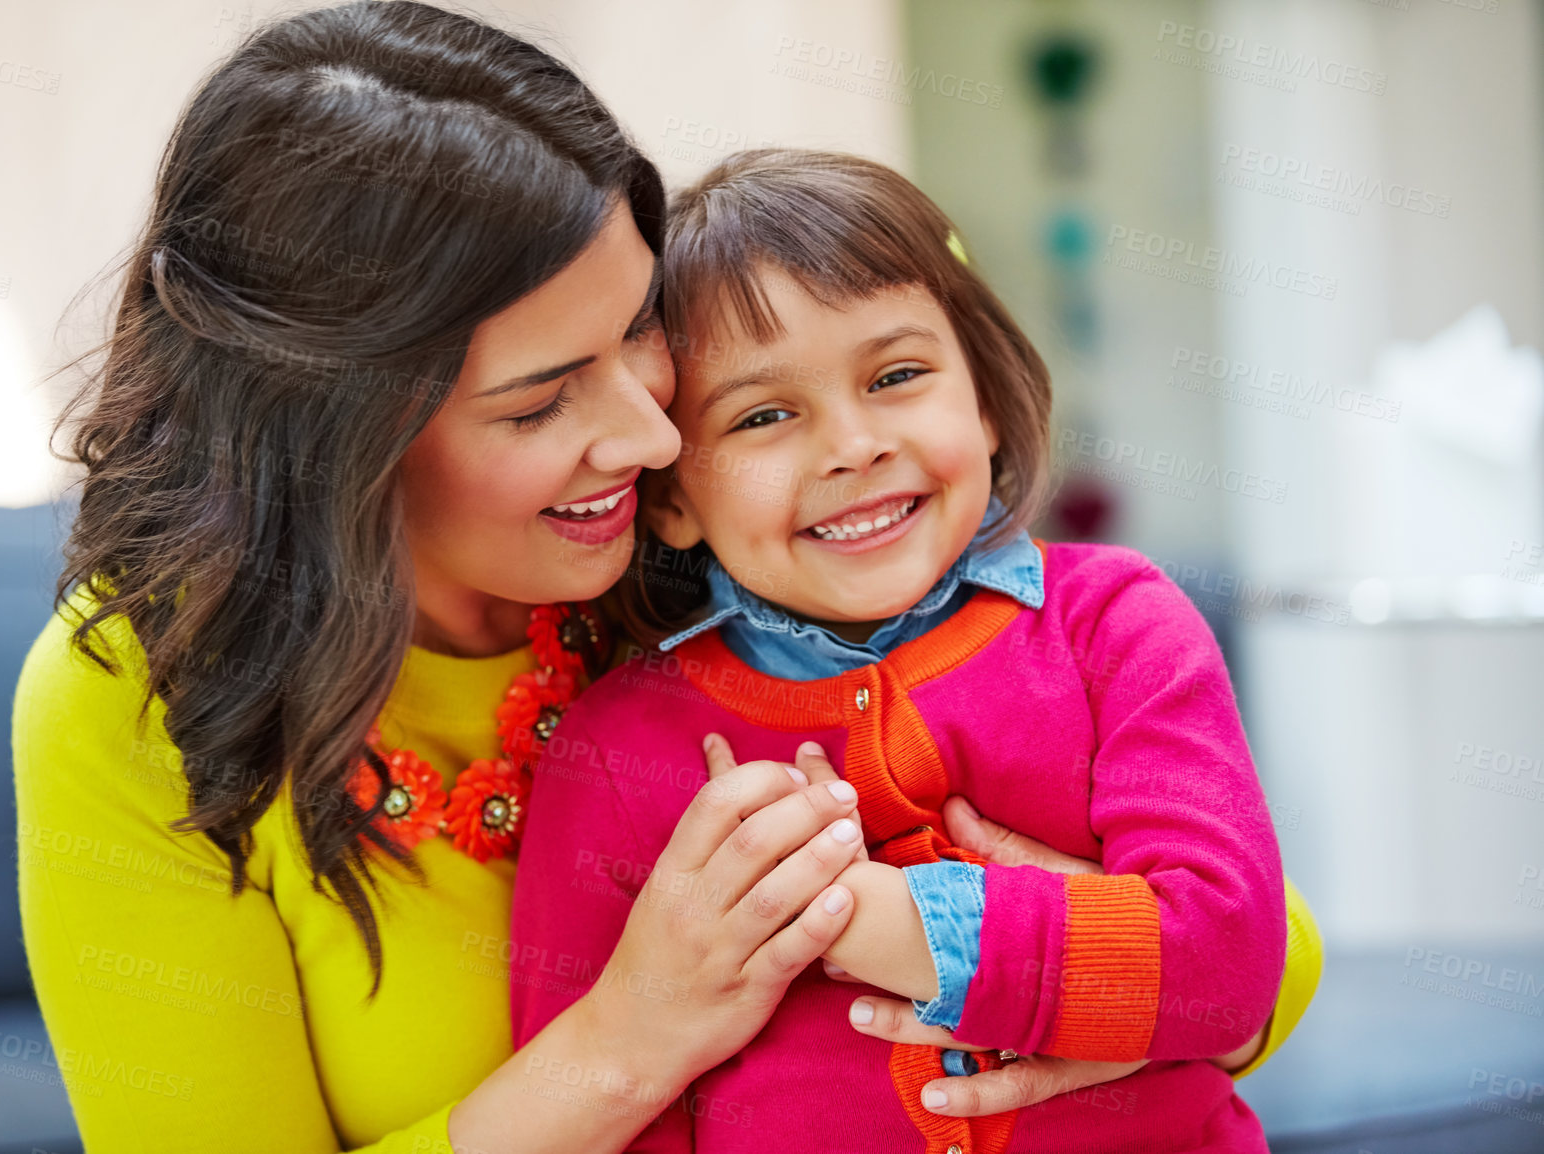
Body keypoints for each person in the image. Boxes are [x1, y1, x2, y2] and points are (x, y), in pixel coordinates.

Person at [11, 6, 1223, 1152]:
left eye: (638, 328)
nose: (652, 436)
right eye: (541, 398)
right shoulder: (137, 691)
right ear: (334, 439)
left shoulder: (734, 534)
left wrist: (1079, 1008)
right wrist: (630, 1038)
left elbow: (1261, 947)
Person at [509, 149, 1319, 1152]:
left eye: (895, 375)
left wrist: (856, 914)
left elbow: (1227, 963)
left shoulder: (1116, 626)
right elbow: (605, 1109)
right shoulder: (616, 744)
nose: (852, 445)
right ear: (670, 494)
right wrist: (1092, 960)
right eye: (765, 415)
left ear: (980, 399)